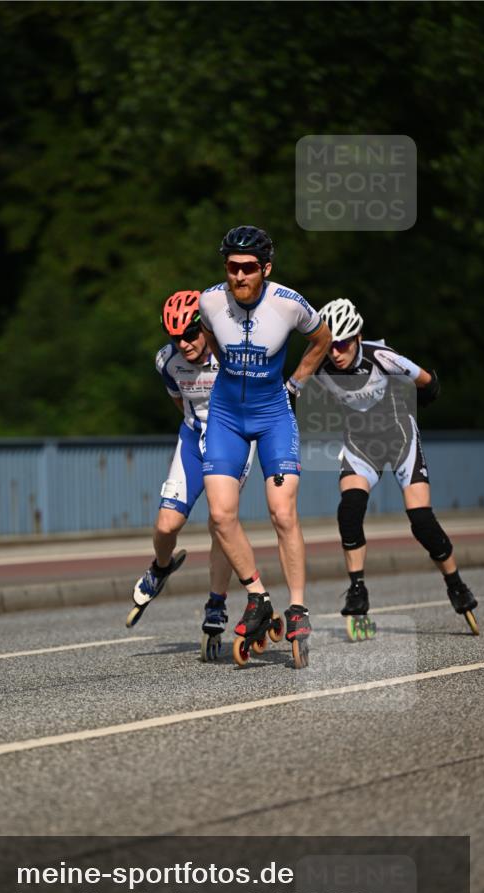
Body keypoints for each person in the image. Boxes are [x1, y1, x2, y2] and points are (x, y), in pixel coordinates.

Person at [199, 225, 332, 663]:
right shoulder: (210, 301)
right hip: (225, 416)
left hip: (274, 414)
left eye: (248, 268)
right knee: (220, 515)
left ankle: (297, 607)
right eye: (232, 268)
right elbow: (214, 341)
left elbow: (323, 338)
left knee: (281, 511)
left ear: (265, 269)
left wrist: (296, 383)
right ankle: (258, 595)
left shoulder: (289, 304)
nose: (239, 276)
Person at [313, 296, 478, 635]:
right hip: (361, 444)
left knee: (421, 521)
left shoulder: (381, 357)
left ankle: (455, 582)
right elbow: (291, 395)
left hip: (399, 437)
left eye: (342, 344)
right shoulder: (318, 365)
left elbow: (428, 383)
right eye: (330, 346)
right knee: (350, 508)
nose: (336, 353)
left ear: (358, 337)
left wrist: (425, 395)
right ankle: (357, 588)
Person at [129, 289, 255, 656]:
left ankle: (216, 604)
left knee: (221, 522)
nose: (184, 344)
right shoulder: (167, 362)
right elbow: (179, 402)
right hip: (194, 437)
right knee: (167, 525)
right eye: (176, 337)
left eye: (191, 334)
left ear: (207, 327)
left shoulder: (234, 353)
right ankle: (161, 567)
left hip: (233, 441)